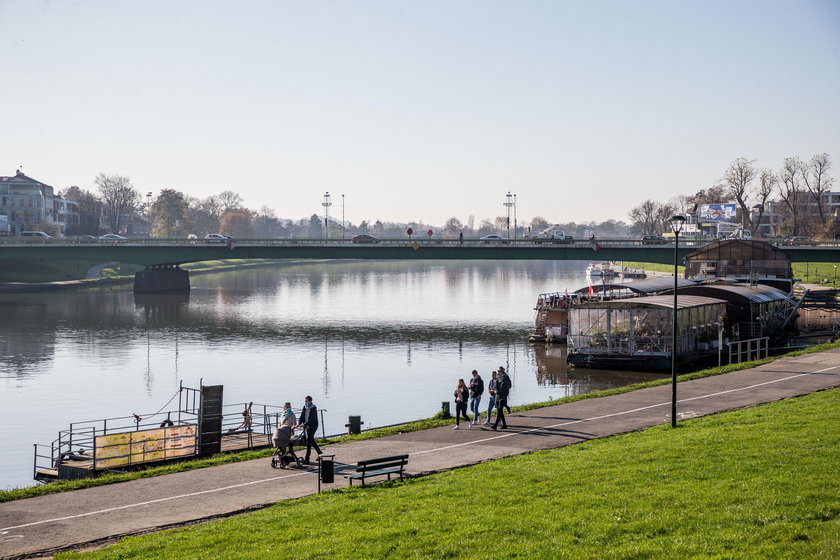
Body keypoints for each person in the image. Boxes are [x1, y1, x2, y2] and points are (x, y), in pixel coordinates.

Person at [295, 395, 322, 463]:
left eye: (306, 401)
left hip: (313, 426)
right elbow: (302, 416)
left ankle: (307, 459)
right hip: (306, 426)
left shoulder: (313, 408)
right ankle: (320, 453)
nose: (305, 402)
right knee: (311, 440)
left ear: (310, 401)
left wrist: (305, 424)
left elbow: (312, 419)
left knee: (309, 441)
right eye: (305, 401)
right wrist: (299, 424)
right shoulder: (305, 407)